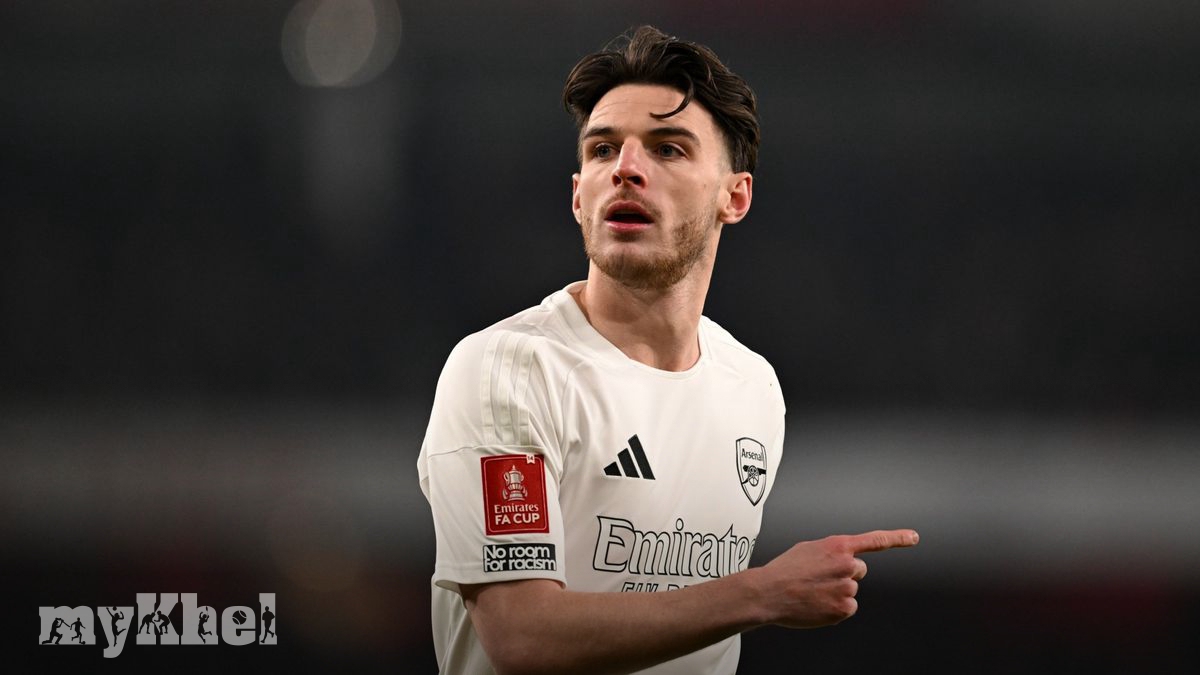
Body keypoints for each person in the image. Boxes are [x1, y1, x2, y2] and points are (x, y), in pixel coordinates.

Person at [417, 25, 919, 674]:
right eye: (603, 150)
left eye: (668, 148)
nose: (626, 168)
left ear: (734, 197)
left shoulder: (753, 388)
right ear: (578, 195)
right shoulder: (508, 369)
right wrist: (761, 592)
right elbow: (522, 635)